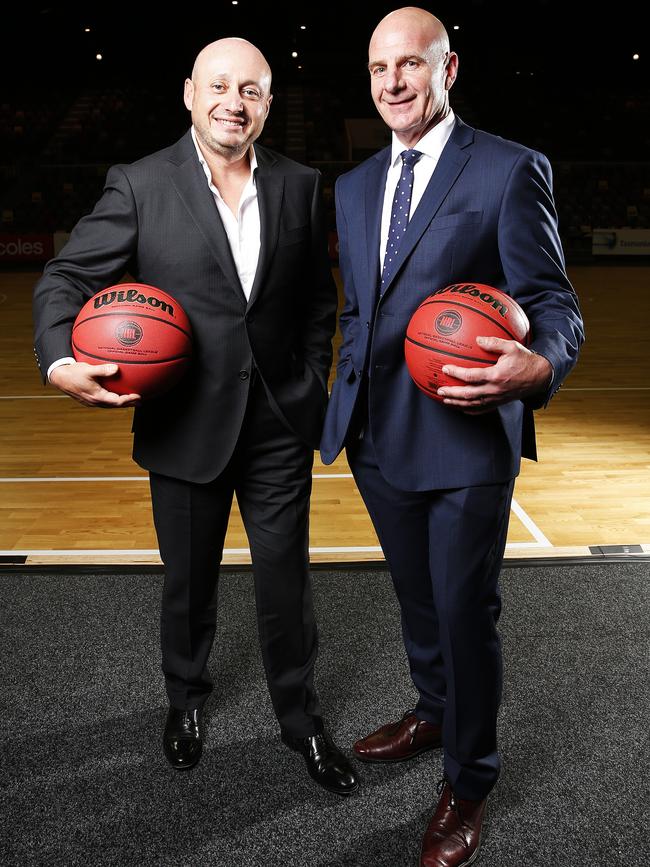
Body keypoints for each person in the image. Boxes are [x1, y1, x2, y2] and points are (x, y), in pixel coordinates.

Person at [33, 37, 358, 797]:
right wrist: (58, 358)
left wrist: (311, 375)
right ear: (189, 93)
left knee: (287, 581)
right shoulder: (141, 184)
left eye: (251, 89)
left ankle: (302, 719)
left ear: (268, 103)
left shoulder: (302, 183)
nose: (233, 102)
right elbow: (66, 276)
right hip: (184, 421)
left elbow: (317, 299)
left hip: (279, 419)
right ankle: (185, 702)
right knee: (189, 584)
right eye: (219, 86)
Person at [321, 6, 584, 862]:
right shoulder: (355, 186)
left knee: (466, 609)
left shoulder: (509, 170)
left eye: (410, 65)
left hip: (466, 435)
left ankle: (469, 780)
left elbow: (554, 306)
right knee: (417, 597)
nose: (393, 81)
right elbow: (358, 310)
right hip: (376, 435)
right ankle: (435, 709)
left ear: (448, 68)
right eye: (378, 68)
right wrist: (341, 404)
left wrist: (538, 366)